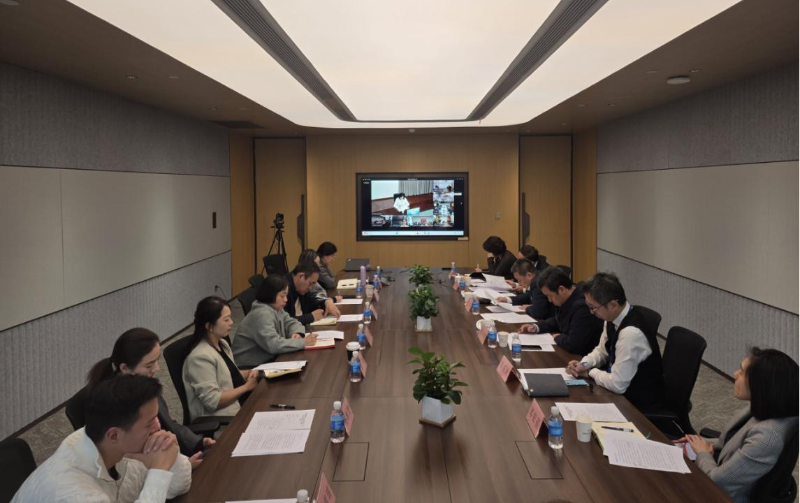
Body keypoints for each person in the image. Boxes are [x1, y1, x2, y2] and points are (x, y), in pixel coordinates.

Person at [13, 375, 191, 503]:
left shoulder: (118, 445)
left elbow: (178, 487)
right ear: (114, 435)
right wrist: (159, 471)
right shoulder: (73, 494)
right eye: (149, 423)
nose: (158, 427)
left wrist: (170, 455)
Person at [68, 328, 213, 468]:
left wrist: (198, 443)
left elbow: (169, 423)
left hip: (171, 459)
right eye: (149, 365)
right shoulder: (113, 406)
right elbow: (126, 461)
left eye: (156, 361)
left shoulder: (144, 387)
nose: (157, 368)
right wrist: (180, 467)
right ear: (124, 368)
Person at [680, 348, 800, 503]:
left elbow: (716, 483)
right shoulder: (765, 405)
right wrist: (699, 443)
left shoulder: (766, 437)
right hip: (719, 466)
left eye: (742, 373)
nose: (735, 374)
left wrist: (702, 452)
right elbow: (734, 442)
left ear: (760, 386)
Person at [566, 272, 665, 412]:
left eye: (593, 307)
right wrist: (584, 364)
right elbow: (602, 351)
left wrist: (590, 372)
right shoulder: (612, 318)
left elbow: (618, 385)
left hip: (638, 405)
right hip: (620, 392)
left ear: (613, 305)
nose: (591, 312)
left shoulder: (630, 334)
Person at [183, 296, 258, 422]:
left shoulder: (222, 343)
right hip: (222, 418)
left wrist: (249, 372)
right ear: (209, 326)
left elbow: (227, 376)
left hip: (238, 403)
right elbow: (213, 401)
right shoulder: (200, 357)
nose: (231, 322)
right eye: (226, 319)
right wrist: (246, 387)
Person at [232, 275, 317, 368]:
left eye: (286, 295)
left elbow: (292, 322)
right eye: (282, 296)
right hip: (249, 367)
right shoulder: (262, 314)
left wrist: (296, 333)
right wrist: (303, 342)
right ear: (271, 294)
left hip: (266, 359)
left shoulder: (275, 307)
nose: (286, 299)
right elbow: (273, 345)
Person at [520, 266, 603, 356]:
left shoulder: (583, 307)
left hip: (583, 358)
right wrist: (536, 327)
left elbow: (573, 345)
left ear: (562, 289)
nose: (549, 300)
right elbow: (558, 320)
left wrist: (558, 337)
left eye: (550, 296)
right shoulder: (567, 299)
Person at [297, 249, 341, 317]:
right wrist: (331, 299)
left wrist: (328, 301)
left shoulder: (311, 277)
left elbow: (312, 300)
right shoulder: (304, 283)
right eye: (317, 263)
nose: (319, 266)